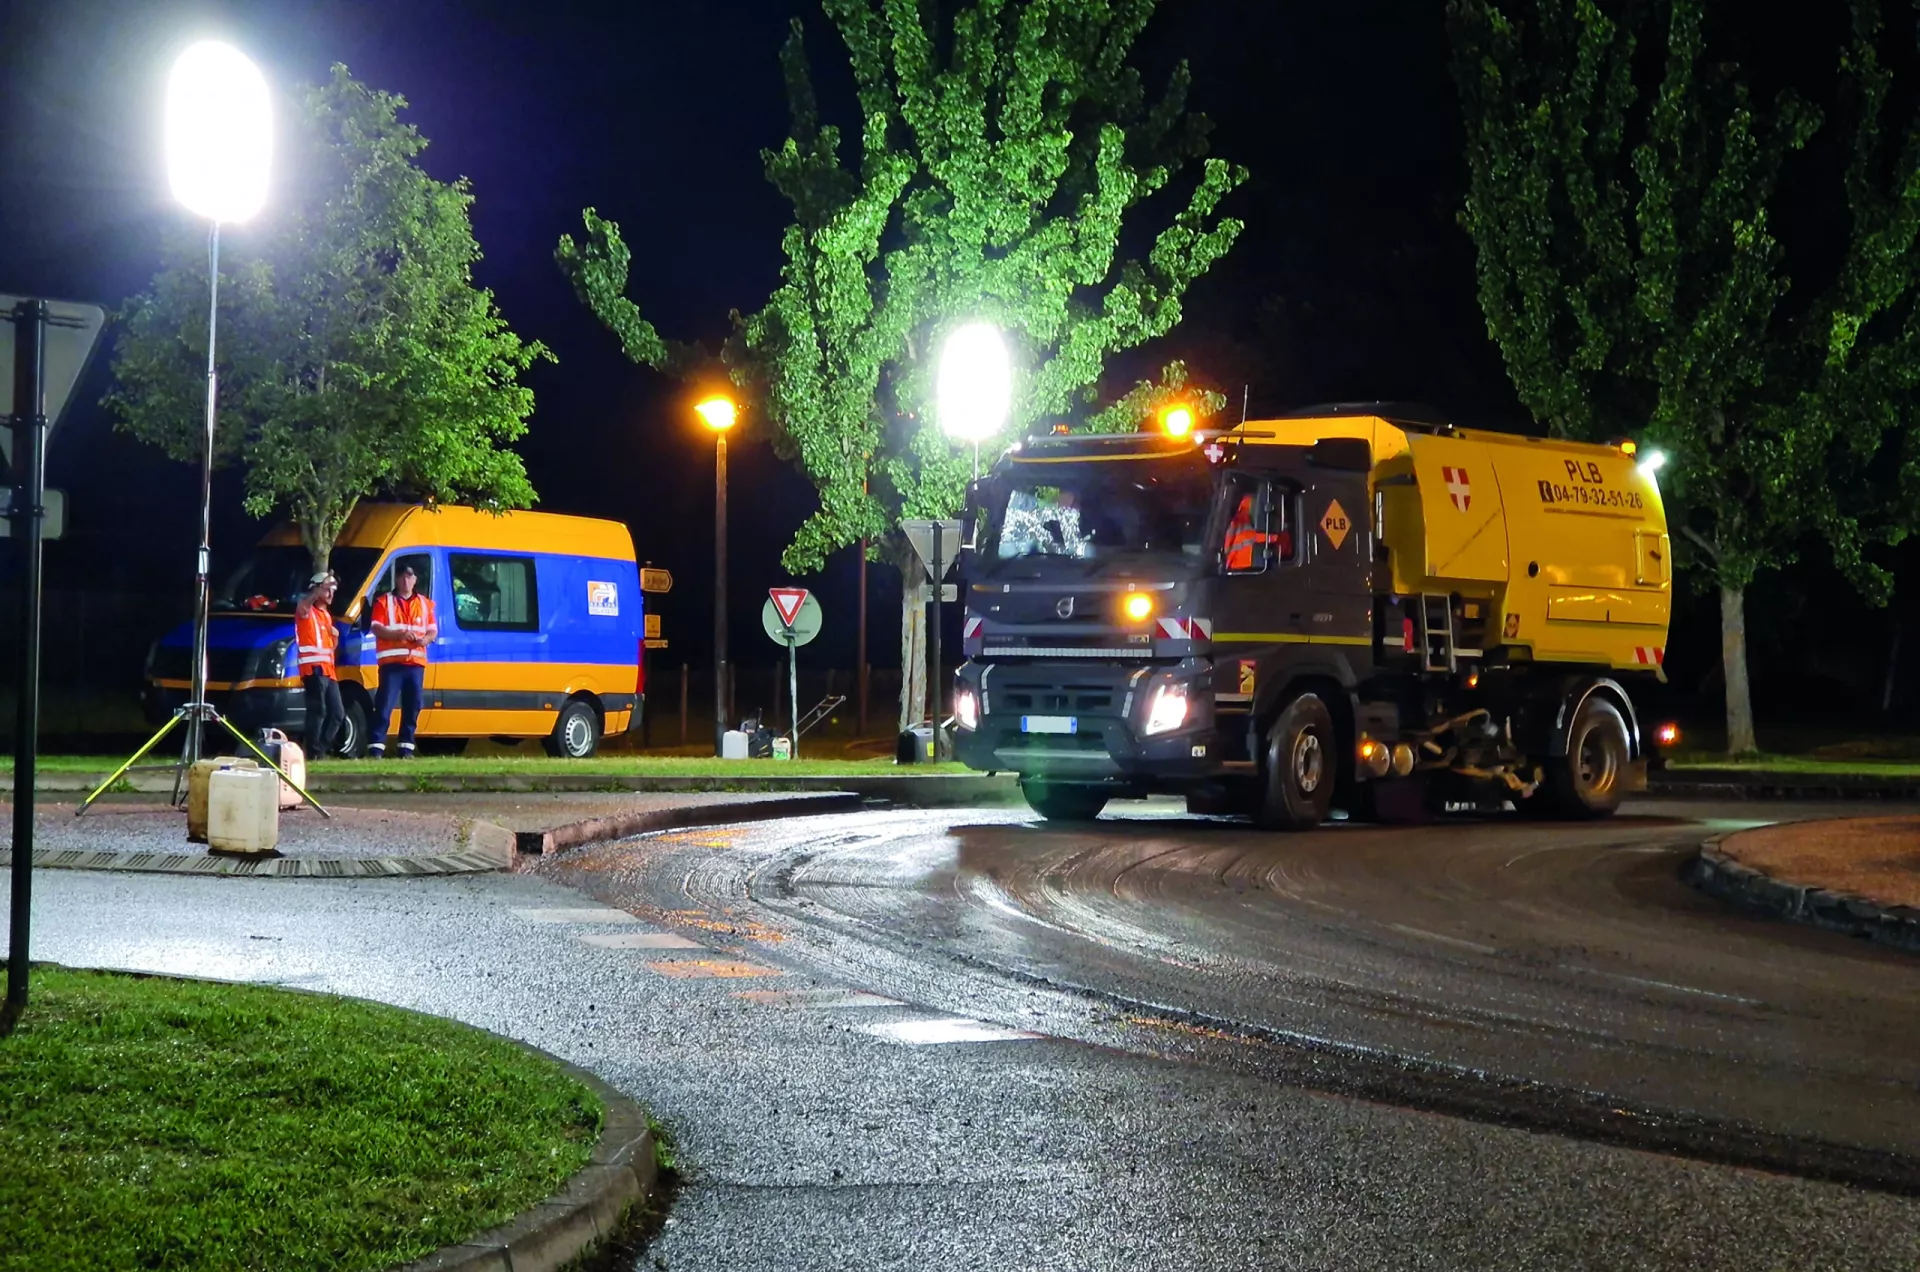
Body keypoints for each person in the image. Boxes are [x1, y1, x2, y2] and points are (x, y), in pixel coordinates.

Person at [368, 562, 437, 758]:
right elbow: (376, 627)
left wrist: (425, 639)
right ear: (397, 579)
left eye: (410, 577)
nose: (406, 581)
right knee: (384, 706)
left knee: (413, 706)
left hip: (415, 664)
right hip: (392, 664)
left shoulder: (425, 603)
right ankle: (376, 748)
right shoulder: (384, 602)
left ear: (415, 580)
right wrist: (399, 634)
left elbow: (432, 630)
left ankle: (406, 748)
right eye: (403, 577)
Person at [293, 571, 343, 756]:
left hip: (328, 671)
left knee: (337, 713)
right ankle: (314, 752)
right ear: (317, 588)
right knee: (318, 710)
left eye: (333, 590)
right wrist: (317, 589)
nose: (331, 594)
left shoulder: (326, 616)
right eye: (328, 590)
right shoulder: (306, 610)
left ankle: (319, 749)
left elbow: (328, 646)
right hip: (313, 670)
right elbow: (303, 607)